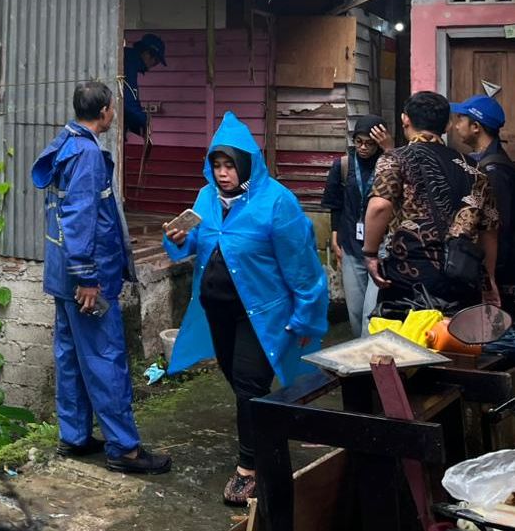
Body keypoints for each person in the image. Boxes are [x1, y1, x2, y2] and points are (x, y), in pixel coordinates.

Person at [163, 112, 328, 507]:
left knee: (250, 384)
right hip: (217, 311)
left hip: (262, 313)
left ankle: (250, 467)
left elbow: (303, 266)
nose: (222, 173)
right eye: (216, 165)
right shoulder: (206, 198)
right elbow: (191, 246)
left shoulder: (277, 203)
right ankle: (269, 429)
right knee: (239, 381)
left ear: (247, 163)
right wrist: (177, 239)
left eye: (229, 165)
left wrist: (306, 314)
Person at [31, 80, 171, 475]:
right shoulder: (88, 155)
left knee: (72, 356)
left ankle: (74, 437)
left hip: (61, 275)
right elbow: (79, 219)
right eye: (114, 108)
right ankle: (124, 449)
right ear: (107, 111)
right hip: (86, 279)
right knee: (104, 358)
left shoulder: (64, 142)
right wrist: (87, 278)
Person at [362, 92, 500, 316]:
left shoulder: (394, 159)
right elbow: (489, 231)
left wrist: (369, 254)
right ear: (446, 125)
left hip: (408, 279)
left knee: (404, 346)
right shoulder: (475, 170)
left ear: (405, 119)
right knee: (453, 346)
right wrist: (489, 280)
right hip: (461, 278)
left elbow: (379, 206)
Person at [321, 115, 394, 336]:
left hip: (381, 248)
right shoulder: (342, 165)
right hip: (351, 245)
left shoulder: (389, 163)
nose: (363, 148)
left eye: (370, 143)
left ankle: (368, 365)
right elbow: (335, 203)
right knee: (354, 311)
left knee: (370, 313)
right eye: (359, 141)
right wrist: (335, 236)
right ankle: (360, 355)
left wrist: (390, 149)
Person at [448, 94, 514, 315]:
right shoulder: (482, 162)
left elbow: (499, 228)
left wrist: (490, 277)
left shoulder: (494, 171)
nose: (456, 126)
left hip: (500, 276)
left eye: (460, 119)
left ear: (475, 126)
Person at [122, 34, 166, 139]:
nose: (154, 65)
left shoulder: (129, 59)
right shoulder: (130, 64)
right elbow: (129, 101)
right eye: (155, 61)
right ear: (146, 54)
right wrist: (144, 122)